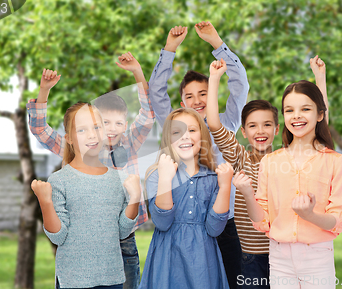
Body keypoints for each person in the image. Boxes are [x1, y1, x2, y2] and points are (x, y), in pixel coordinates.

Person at [26, 52, 154, 289]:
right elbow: (41, 130)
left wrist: (137, 72)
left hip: (123, 240)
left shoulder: (129, 142)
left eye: (117, 123)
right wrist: (44, 92)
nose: (110, 130)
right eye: (101, 123)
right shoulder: (79, 150)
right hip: (80, 246)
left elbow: (147, 115)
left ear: (125, 124)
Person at [207, 57, 328, 288]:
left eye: (266, 125)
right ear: (243, 131)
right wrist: (214, 79)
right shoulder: (240, 157)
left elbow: (319, 127)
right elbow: (213, 123)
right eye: (252, 125)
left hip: (284, 253)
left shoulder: (288, 158)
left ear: (276, 129)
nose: (260, 131)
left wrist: (319, 78)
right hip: (250, 257)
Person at [148, 22, 248, 287]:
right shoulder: (175, 126)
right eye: (190, 96)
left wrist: (217, 43)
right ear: (182, 104)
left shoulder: (225, 124)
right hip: (180, 225)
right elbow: (156, 94)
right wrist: (169, 49)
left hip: (223, 222)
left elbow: (240, 85)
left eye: (204, 93)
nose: (197, 100)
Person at [234, 80, 342, 289]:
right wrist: (247, 194)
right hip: (279, 257)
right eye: (289, 110)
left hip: (317, 256)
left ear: (320, 115)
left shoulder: (336, 162)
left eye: (305, 109)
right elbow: (262, 221)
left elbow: (338, 221)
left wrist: (310, 215)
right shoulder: (270, 162)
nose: (296, 115)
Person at [31, 102, 140, 289]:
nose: (92, 134)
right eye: (82, 130)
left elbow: (122, 231)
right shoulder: (59, 180)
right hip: (73, 281)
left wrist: (135, 198)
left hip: (112, 279)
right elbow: (58, 236)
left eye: (97, 127)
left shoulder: (119, 179)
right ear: (69, 138)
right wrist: (45, 201)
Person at [139, 108, 234, 289]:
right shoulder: (156, 174)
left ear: (202, 135)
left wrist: (225, 187)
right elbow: (162, 222)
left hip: (203, 263)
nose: (185, 136)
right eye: (177, 132)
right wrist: (166, 179)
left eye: (191, 130)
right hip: (167, 259)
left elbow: (214, 229)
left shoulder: (214, 178)